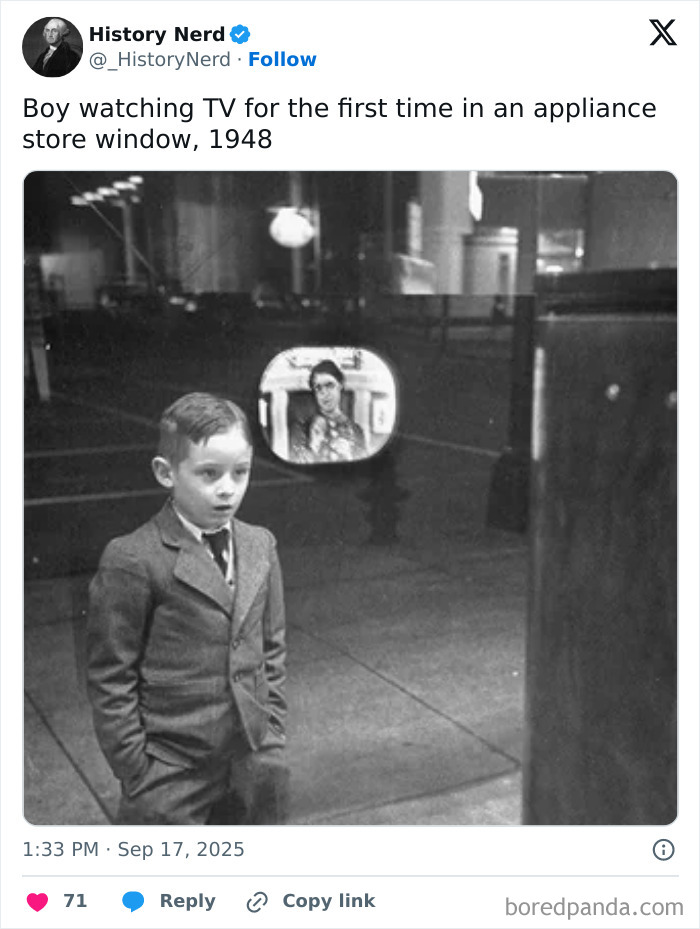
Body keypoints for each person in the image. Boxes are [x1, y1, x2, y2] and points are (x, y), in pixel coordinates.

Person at [86, 393, 287, 825]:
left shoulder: (260, 545)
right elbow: (111, 674)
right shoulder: (133, 558)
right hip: (170, 770)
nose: (228, 488)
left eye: (241, 472)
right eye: (209, 474)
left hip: (251, 756)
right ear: (166, 473)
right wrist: (137, 770)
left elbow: (272, 647)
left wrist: (272, 732)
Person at [289, 359, 366, 463]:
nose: (324, 393)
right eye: (318, 388)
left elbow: (363, 469)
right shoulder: (303, 429)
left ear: (340, 385)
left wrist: (349, 456)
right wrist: (314, 449)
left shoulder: (356, 431)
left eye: (329, 385)